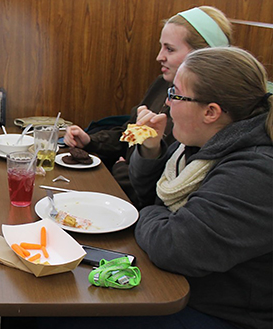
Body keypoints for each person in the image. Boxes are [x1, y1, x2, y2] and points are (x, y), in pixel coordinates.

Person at [129, 47, 272, 329]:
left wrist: (144, 213)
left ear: (211, 112)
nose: (167, 104)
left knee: (55, 316)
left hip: (224, 315)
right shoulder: (196, 147)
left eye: (175, 94)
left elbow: (173, 246)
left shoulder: (255, 171)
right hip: (182, 290)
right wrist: (150, 147)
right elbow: (150, 196)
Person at [63, 6, 231, 207]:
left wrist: (124, 172)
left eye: (170, 49)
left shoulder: (207, 115)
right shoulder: (162, 84)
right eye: (161, 47)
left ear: (203, 55)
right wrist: (92, 141)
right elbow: (133, 134)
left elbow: (169, 185)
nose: (159, 56)